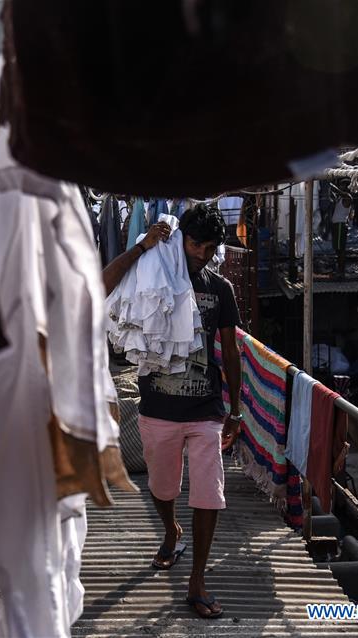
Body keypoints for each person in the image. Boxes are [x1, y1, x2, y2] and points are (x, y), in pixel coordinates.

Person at [102, 203, 242, 620]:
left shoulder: (220, 289)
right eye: (195, 243)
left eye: (208, 246)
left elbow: (230, 350)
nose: (200, 252)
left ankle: (197, 580)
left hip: (206, 409)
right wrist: (142, 248)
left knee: (208, 494)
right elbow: (102, 283)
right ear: (182, 238)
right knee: (163, 489)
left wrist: (236, 408)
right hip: (159, 405)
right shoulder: (150, 276)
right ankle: (170, 530)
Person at [332, 192, 353, 278]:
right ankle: (340, 269)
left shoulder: (348, 197)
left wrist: (329, 184)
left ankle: (341, 270)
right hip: (337, 225)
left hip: (341, 225)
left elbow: (339, 191)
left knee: (341, 249)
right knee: (338, 248)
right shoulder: (340, 198)